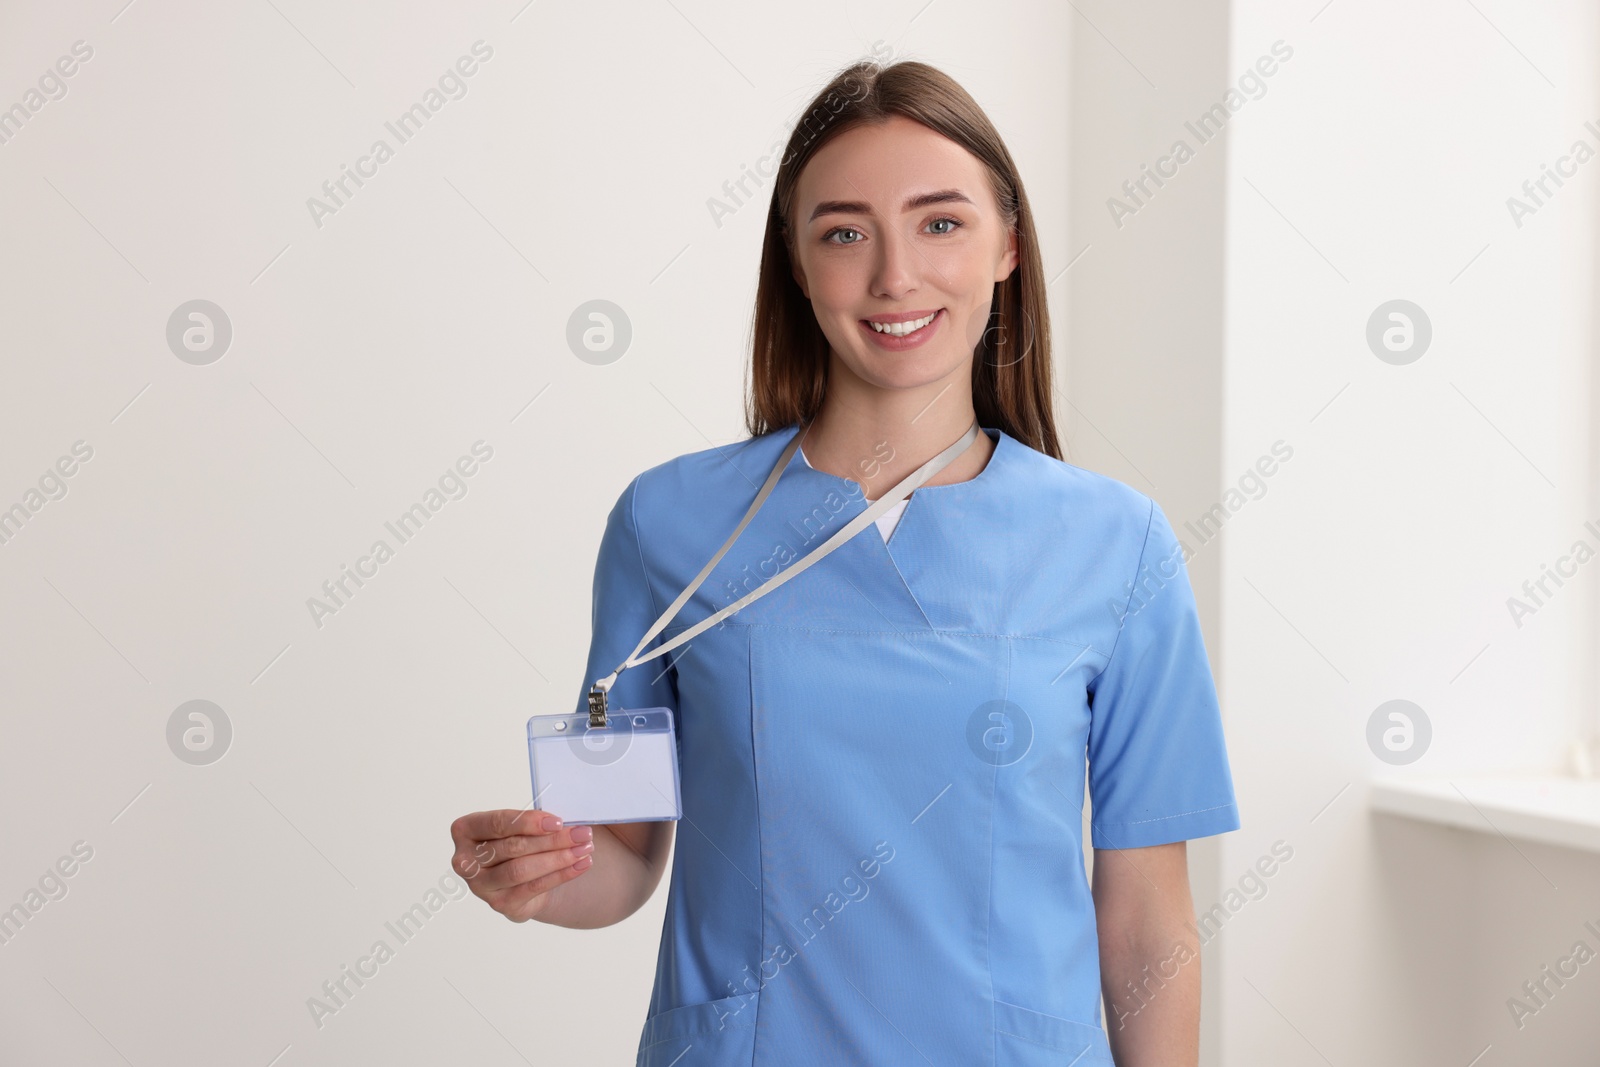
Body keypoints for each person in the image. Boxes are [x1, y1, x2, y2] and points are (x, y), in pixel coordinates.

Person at [449, 57, 1240, 1067]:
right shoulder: (671, 524)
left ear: (1008, 244)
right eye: (843, 232)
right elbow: (621, 858)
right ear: (795, 260)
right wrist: (535, 873)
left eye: (940, 222)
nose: (893, 276)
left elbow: (1146, 921)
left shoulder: (1115, 543)